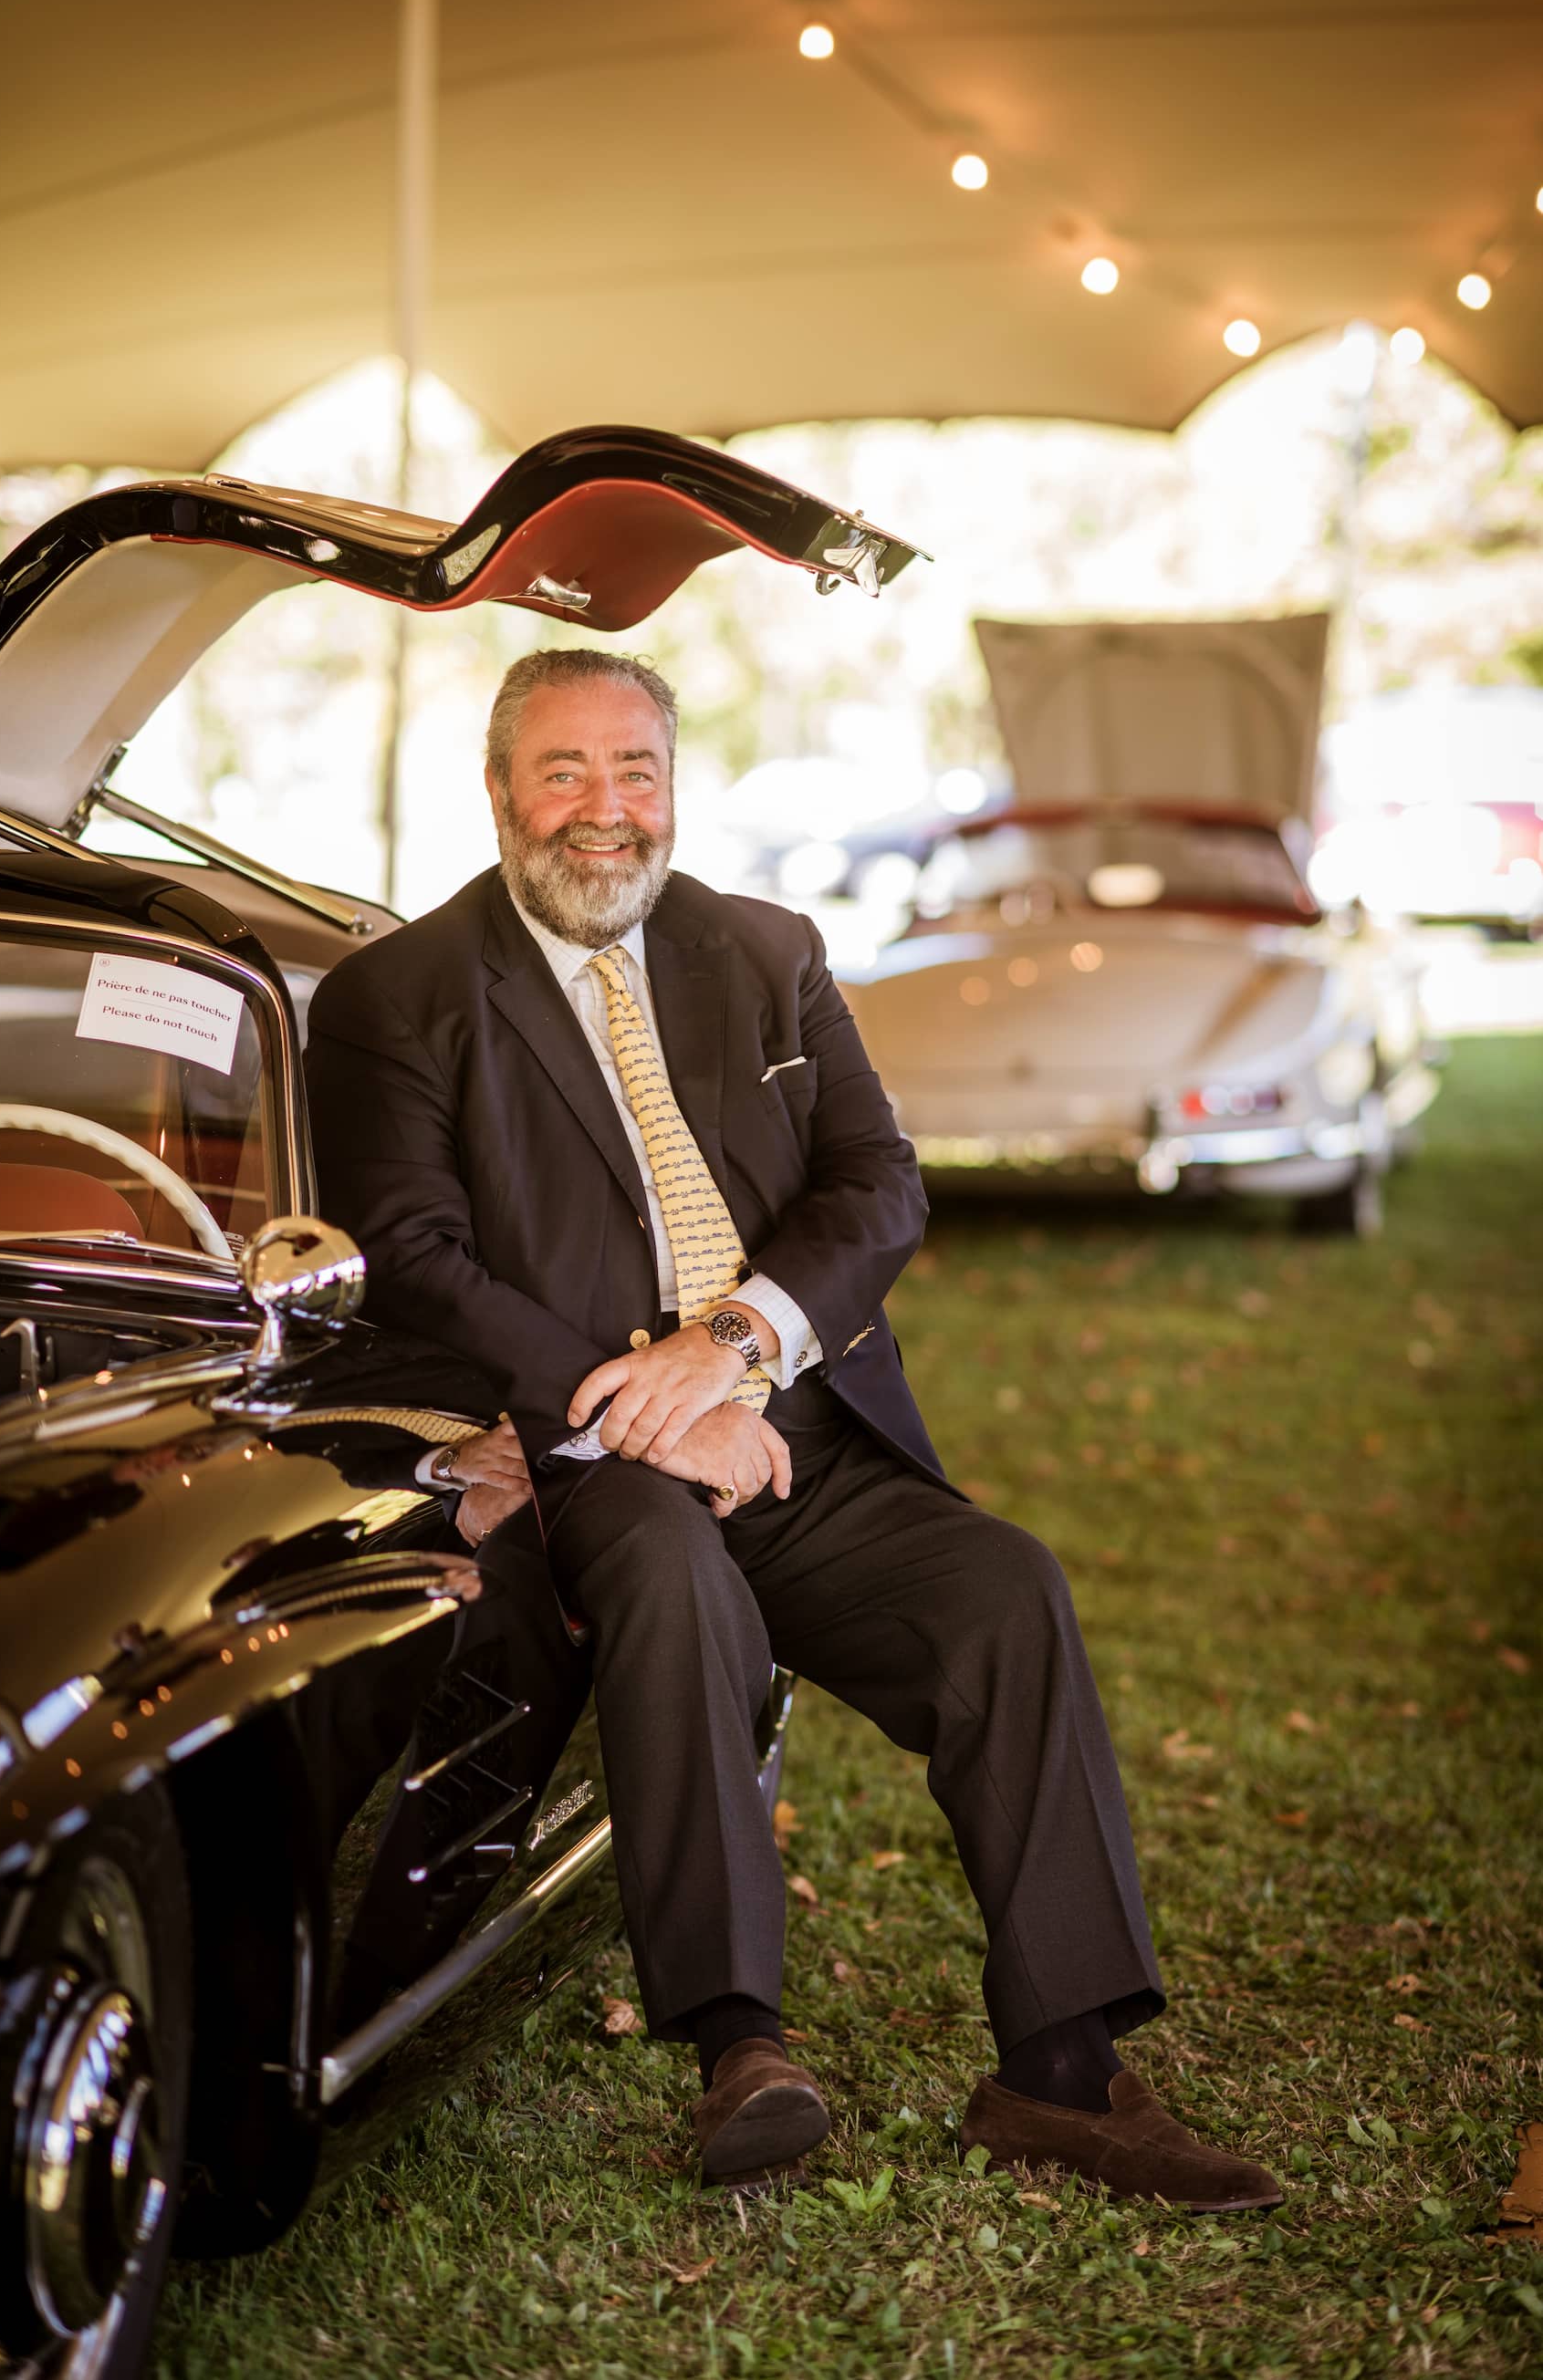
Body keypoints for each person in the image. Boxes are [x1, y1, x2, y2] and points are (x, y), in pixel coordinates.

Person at [306, 649, 1280, 2209]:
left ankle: (1062, 2074)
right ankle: (738, 2046)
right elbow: (417, 1256)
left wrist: (734, 1347)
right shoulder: (399, 997)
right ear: (498, 793)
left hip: (793, 1426)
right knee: (675, 1587)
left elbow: (876, 1182)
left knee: (1002, 1590)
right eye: (563, 773)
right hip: (587, 1458)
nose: (603, 812)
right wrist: (635, 1404)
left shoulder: (766, 951)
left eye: (635, 771)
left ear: (672, 786)